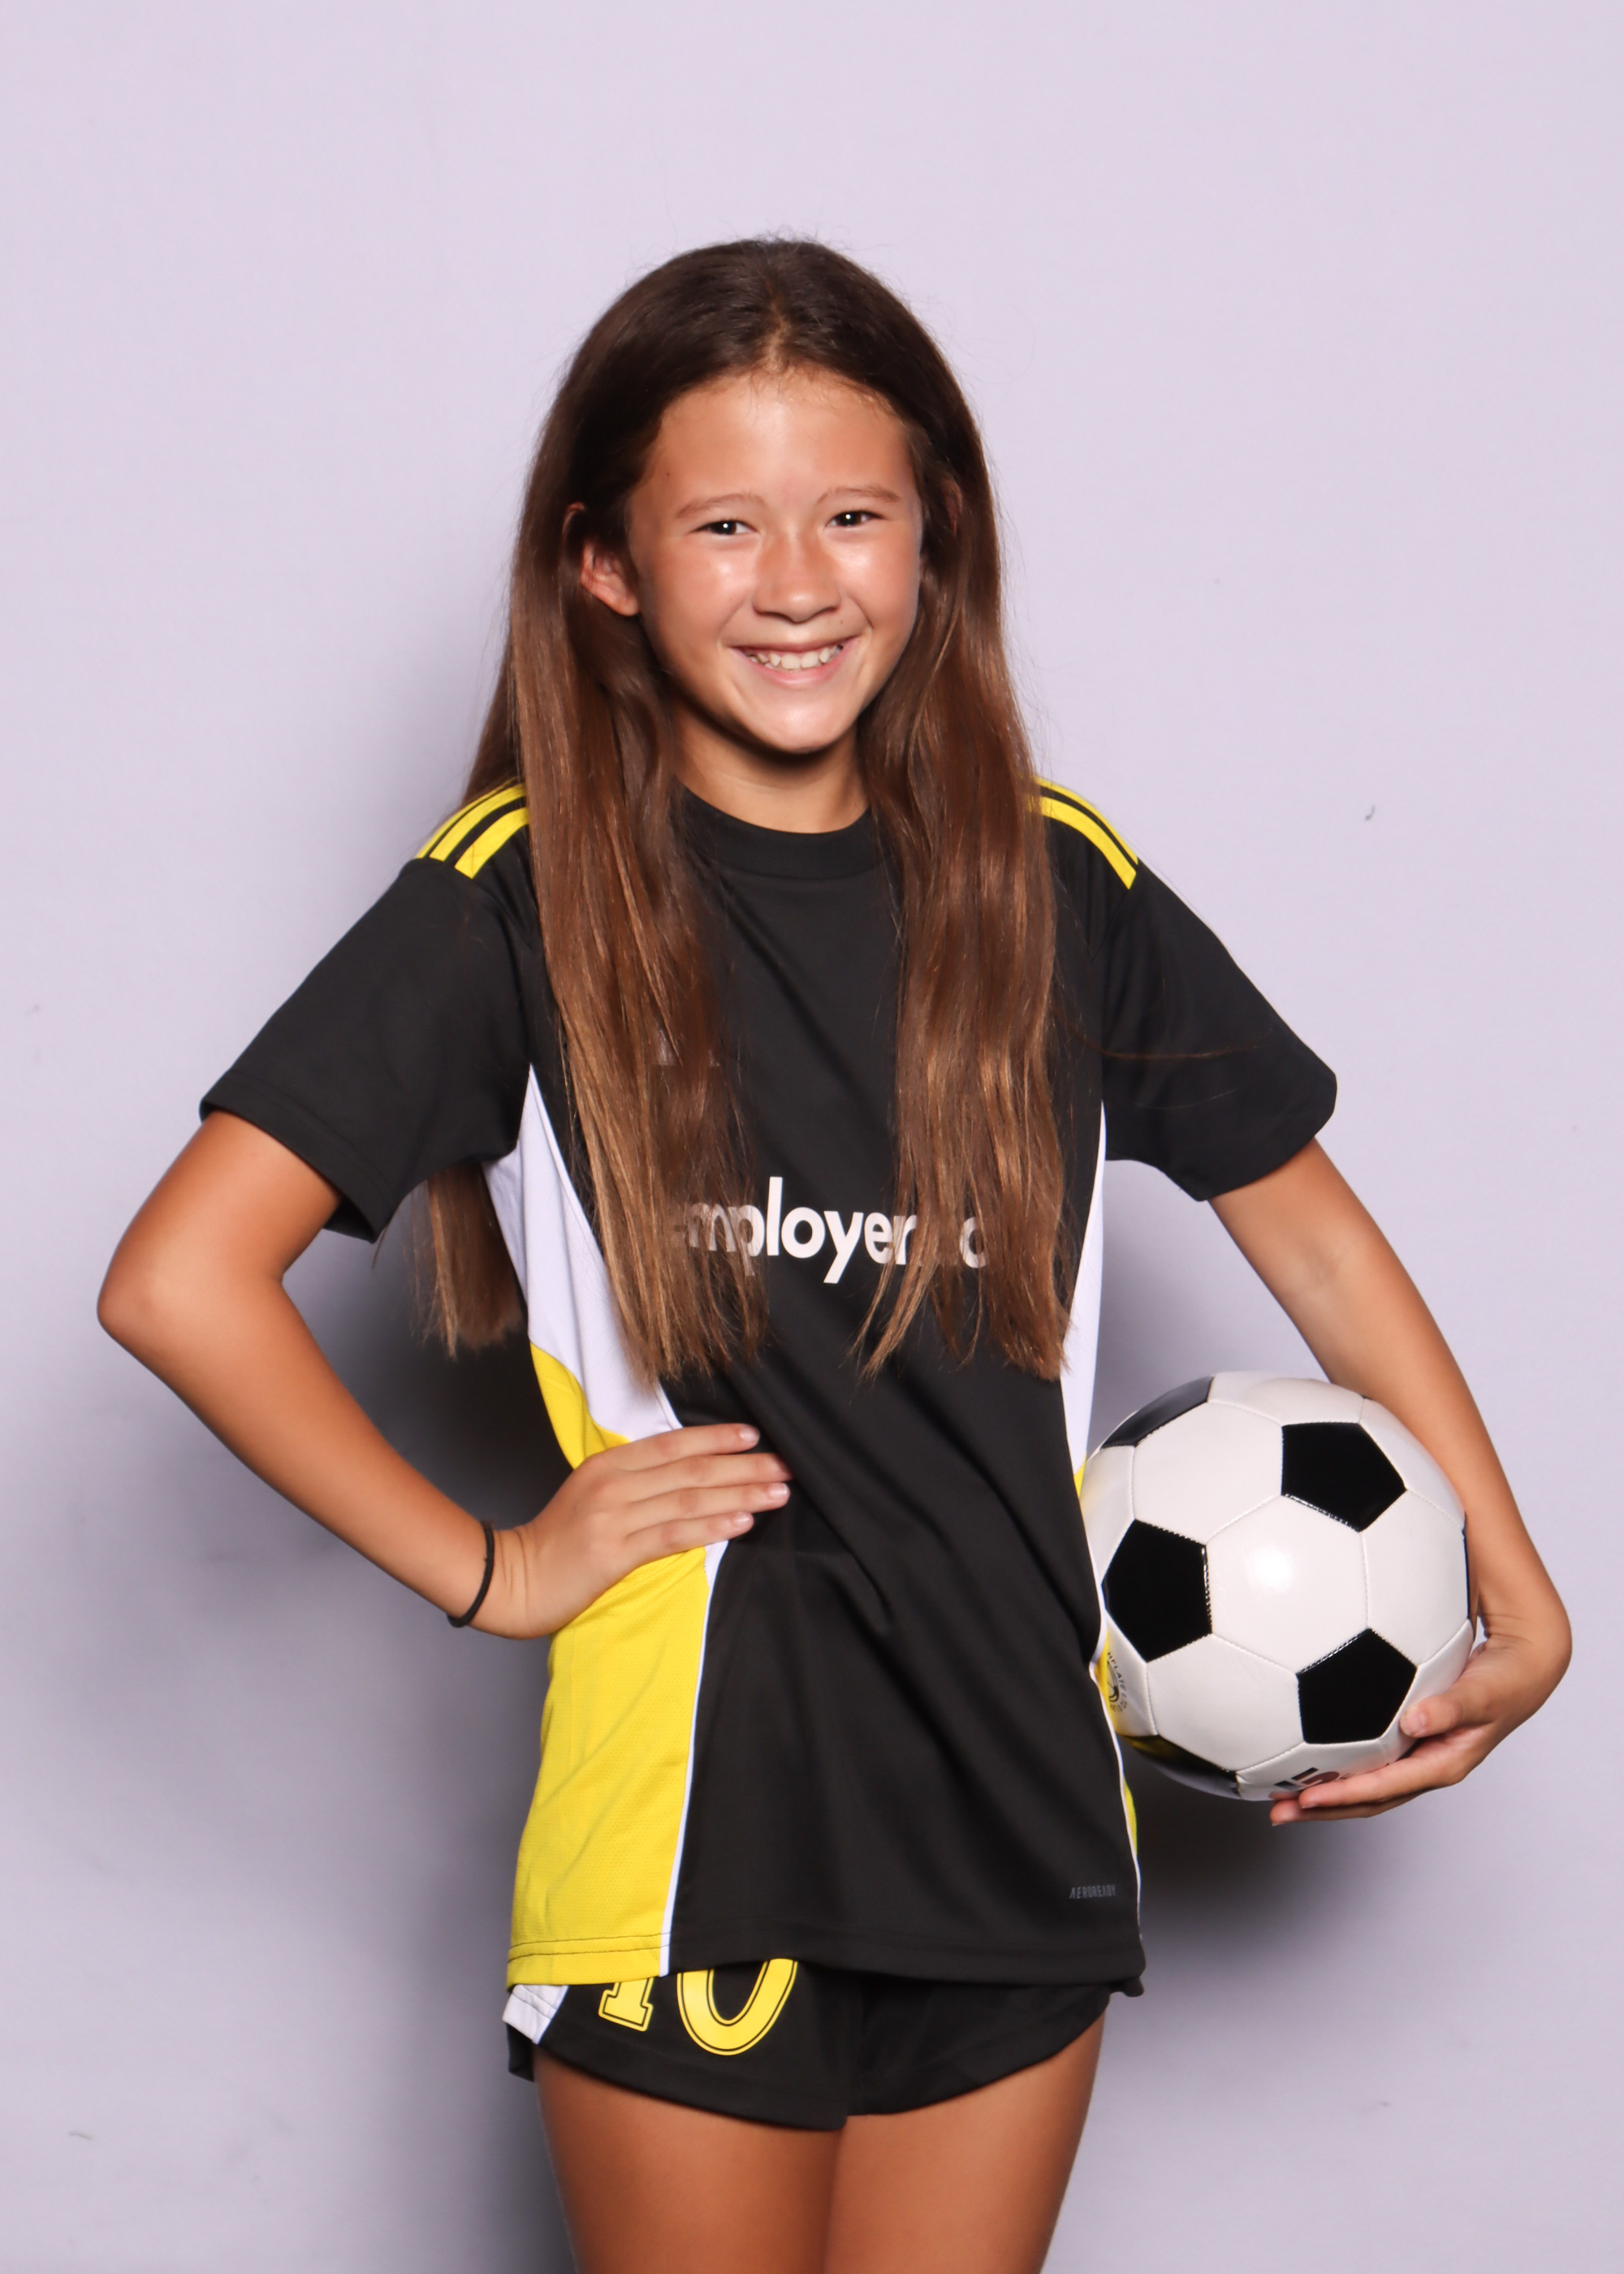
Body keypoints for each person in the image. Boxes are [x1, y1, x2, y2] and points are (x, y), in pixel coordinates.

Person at [98, 239, 1570, 2274]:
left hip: (1022, 1801)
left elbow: (1307, 1230)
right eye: (724, 523)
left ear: (933, 537)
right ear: (604, 563)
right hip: (701, 1819)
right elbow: (177, 1279)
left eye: (852, 515)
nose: (797, 580)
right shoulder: (521, 896)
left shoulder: (1053, 882)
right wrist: (496, 1569)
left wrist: (1518, 1587)